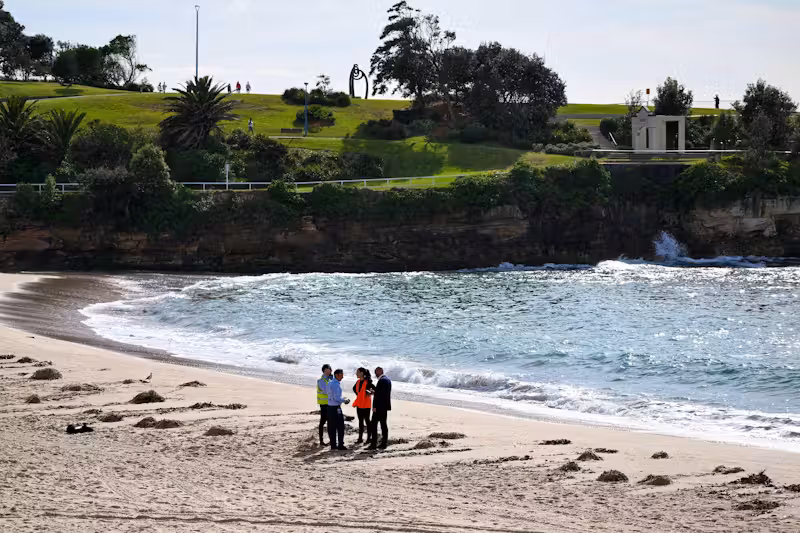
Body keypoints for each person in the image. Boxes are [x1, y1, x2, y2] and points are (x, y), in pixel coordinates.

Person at [326, 368, 350, 451]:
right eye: (341, 375)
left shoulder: (330, 382)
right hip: (335, 407)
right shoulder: (335, 384)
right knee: (340, 427)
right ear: (336, 375)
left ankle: (333, 444)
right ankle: (340, 445)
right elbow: (336, 397)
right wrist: (344, 400)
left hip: (329, 407)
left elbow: (331, 395)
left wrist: (341, 399)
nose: (342, 377)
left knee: (331, 427)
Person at [369, 366, 392, 450]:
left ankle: (373, 444)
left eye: (376, 372)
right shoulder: (388, 380)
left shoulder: (381, 380)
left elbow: (377, 395)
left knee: (373, 424)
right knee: (383, 424)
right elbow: (384, 394)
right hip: (385, 406)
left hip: (379, 406)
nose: (375, 374)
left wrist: (374, 406)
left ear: (380, 371)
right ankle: (384, 443)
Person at [352, 367, 375, 444]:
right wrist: (359, 395)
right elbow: (354, 389)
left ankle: (369, 439)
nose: (356, 373)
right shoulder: (358, 382)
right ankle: (360, 438)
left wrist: (371, 392)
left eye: (358, 372)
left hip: (366, 405)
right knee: (360, 422)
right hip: (359, 405)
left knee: (367, 422)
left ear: (362, 373)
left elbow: (374, 390)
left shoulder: (368, 382)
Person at [316, 364, 333, 446]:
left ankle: (331, 440)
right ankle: (321, 440)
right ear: (325, 370)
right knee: (323, 422)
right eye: (330, 369)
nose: (331, 370)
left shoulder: (330, 380)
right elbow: (327, 391)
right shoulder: (321, 380)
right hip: (324, 404)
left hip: (330, 404)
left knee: (330, 422)